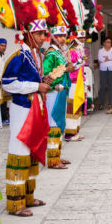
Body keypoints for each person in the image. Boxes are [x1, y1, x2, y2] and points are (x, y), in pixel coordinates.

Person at [2, 20, 50, 216]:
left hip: (34, 108)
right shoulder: (19, 55)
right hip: (22, 108)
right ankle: (15, 202)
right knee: (19, 150)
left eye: (42, 34)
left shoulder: (36, 55)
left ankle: (28, 196)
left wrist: (42, 82)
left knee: (31, 150)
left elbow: (31, 80)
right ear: (28, 34)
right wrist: (35, 86)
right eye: (38, 34)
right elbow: (8, 83)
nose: (41, 38)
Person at [42, 25, 74, 169]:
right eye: (59, 36)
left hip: (60, 92)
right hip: (53, 92)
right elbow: (47, 75)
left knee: (59, 124)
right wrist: (66, 69)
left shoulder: (59, 53)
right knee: (54, 124)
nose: (62, 39)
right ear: (53, 38)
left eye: (64, 36)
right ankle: (53, 160)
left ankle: (57, 156)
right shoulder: (51, 54)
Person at [97, 38, 112, 111]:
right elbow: (100, 59)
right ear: (104, 43)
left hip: (111, 69)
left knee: (110, 87)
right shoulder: (100, 50)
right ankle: (101, 103)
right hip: (103, 69)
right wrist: (108, 58)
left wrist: (106, 58)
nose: (109, 43)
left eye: (110, 42)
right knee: (102, 87)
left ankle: (110, 103)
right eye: (108, 42)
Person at [0, 38, 9, 125]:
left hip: (1, 81)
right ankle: (1, 118)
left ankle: (4, 118)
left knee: (4, 101)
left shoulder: (2, 55)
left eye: (5, 46)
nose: (3, 47)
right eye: (1, 45)